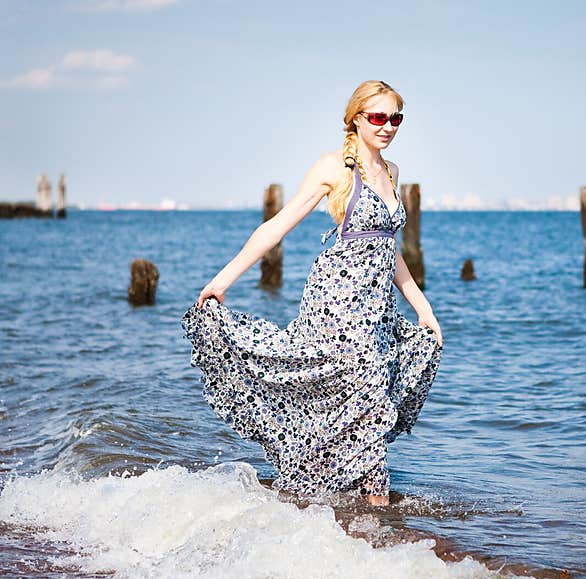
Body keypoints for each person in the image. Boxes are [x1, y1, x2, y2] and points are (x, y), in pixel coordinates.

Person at [180, 80, 443, 507]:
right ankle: (374, 508)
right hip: (337, 301)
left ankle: (313, 498)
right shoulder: (334, 168)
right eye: (378, 117)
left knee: (362, 397)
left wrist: (424, 309)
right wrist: (221, 281)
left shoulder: (392, 173)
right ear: (356, 118)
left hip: (377, 307)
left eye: (396, 118)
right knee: (368, 390)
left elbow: (389, 250)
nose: (388, 127)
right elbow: (276, 227)